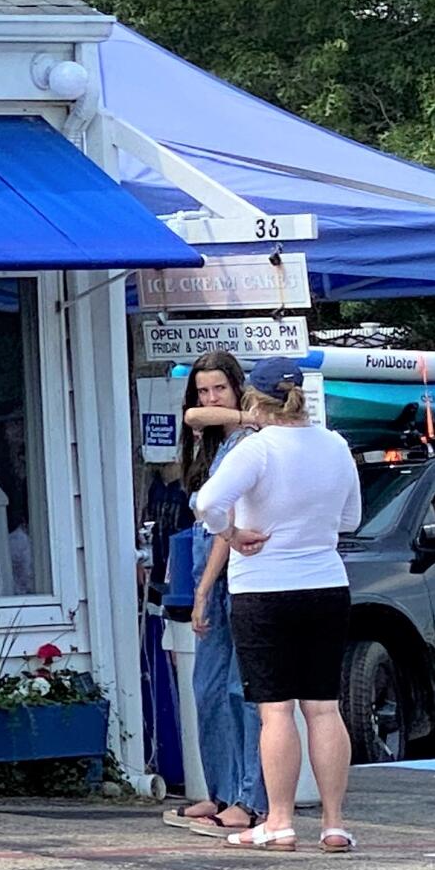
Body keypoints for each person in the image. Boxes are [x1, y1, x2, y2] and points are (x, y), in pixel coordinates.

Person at [194, 379, 363, 852]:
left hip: (264, 589)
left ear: (253, 400)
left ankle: (280, 822)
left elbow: (207, 502)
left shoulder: (257, 448)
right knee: (324, 707)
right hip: (326, 585)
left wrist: (229, 533)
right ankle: (333, 824)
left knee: (276, 711)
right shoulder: (335, 444)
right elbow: (350, 519)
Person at [167, 352, 267, 836]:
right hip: (205, 565)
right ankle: (220, 789)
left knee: (239, 690)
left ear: (237, 389)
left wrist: (204, 590)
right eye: (203, 390)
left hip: (234, 574)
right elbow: (192, 416)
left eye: (219, 389)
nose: (209, 400)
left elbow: (230, 524)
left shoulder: (249, 442)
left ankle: (250, 798)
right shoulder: (211, 444)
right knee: (206, 689)